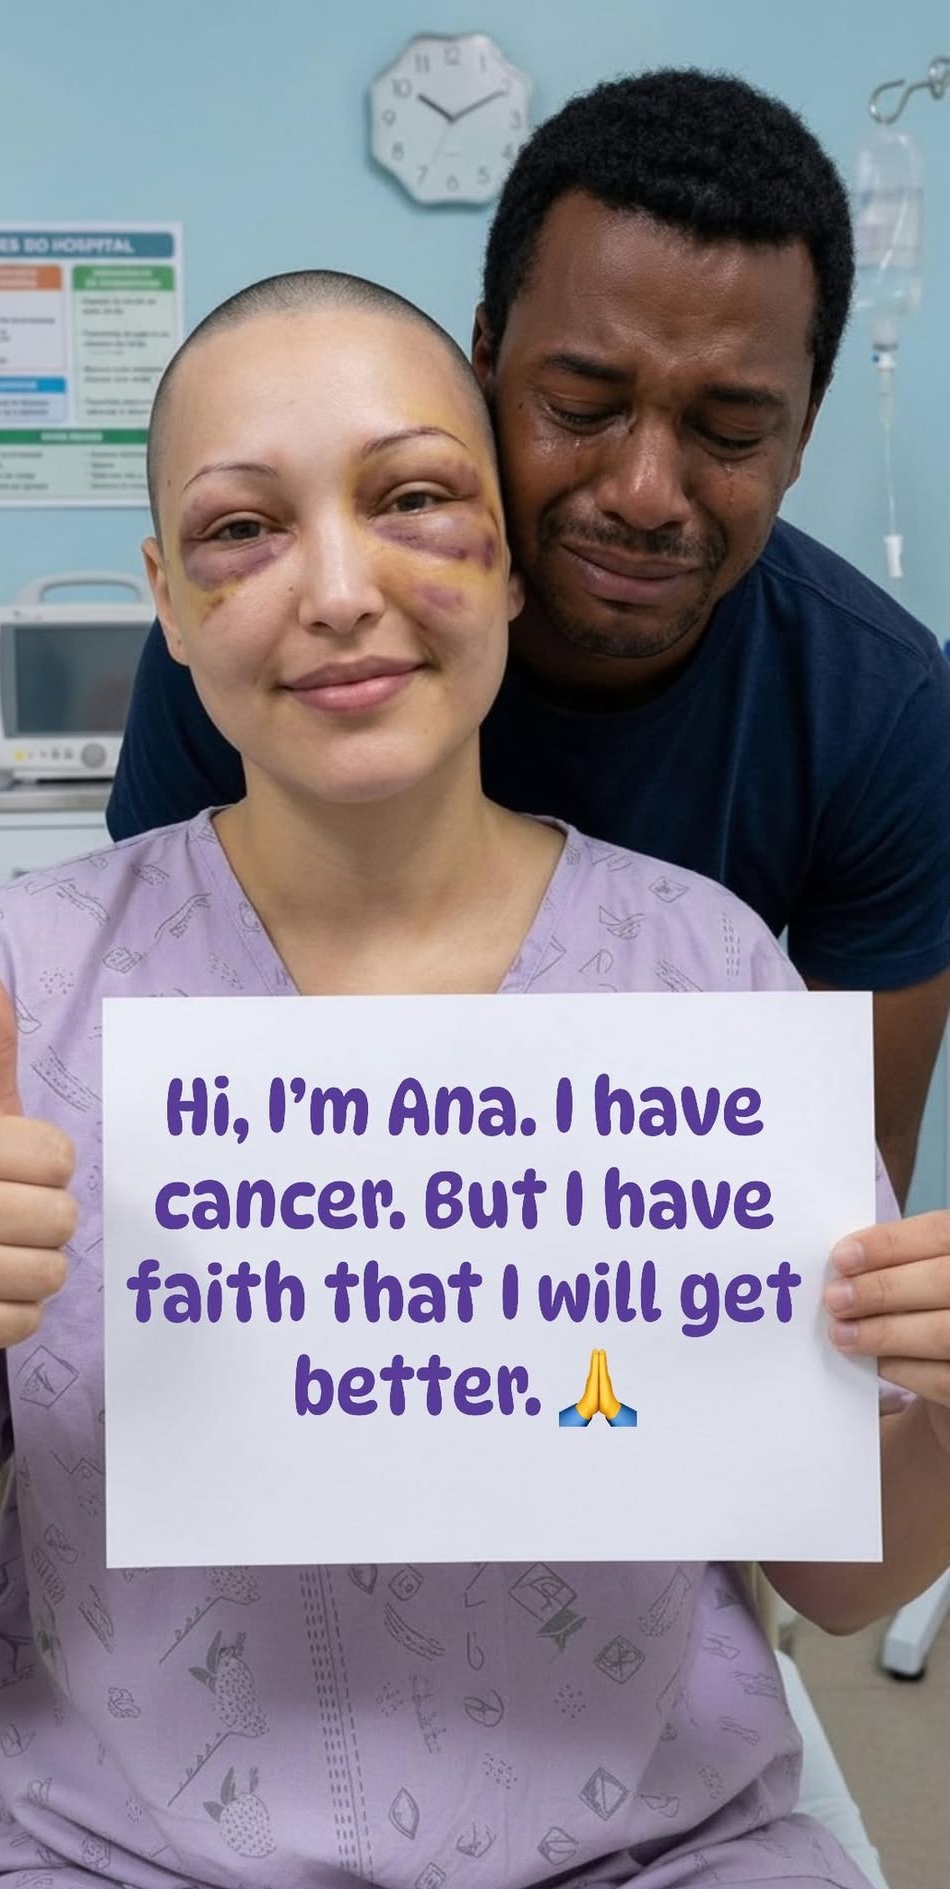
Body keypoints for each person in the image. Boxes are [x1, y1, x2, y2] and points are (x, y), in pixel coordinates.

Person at [0, 272, 950, 1889]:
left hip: (657, 1853)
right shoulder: (11, 1004)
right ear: (169, 599)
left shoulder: (705, 978)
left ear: (508, 559)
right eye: (243, 528)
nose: (338, 589)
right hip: (120, 1860)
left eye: (416, 498)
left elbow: (844, 1582)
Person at [107, 69, 950, 1210]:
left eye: (730, 430)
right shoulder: (290, 652)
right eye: (582, 408)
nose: (646, 493)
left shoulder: (876, 709)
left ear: (803, 431)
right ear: (485, 365)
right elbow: (172, 1029)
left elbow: (843, 1184)